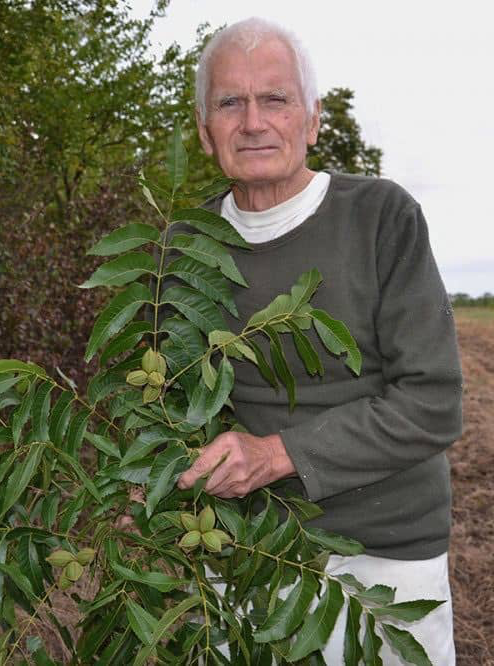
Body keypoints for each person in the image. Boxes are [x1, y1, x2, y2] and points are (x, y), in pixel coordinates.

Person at [174, 17, 463, 665]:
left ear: (312, 120)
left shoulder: (381, 217)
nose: (253, 122)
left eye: (275, 99)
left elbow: (433, 405)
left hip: (385, 552)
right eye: (230, 102)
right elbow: (170, 402)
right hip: (243, 548)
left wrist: (276, 454)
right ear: (204, 129)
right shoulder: (181, 249)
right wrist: (147, 481)